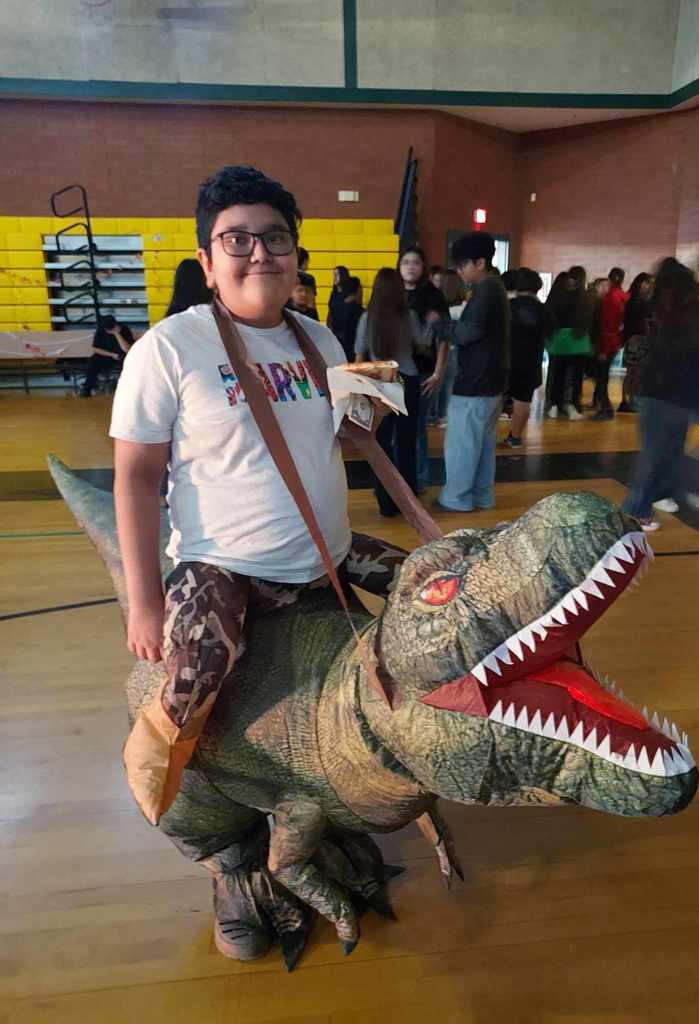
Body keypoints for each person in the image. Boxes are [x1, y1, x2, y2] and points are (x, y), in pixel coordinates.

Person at [109, 169, 406, 958]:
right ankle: (172, 784)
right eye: (236, 239)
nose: (258, 252)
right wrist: (145, 603)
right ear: (208, 260)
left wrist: (362, 419)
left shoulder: (321, 339)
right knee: (199, 674)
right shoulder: (169, 349)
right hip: (223, 564)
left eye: (274, 237)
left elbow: (332, 437)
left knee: (428, 587)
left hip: (323, 555)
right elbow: (136, 474)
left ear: (295, 252)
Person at [623, 257, 699, 531]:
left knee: (673, 448)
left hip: (682, 393)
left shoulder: (690, 308)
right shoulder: (682, 310)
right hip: (664, 392)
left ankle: (664, 494)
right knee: (656, 452)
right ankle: (635, 508)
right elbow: (691, 345)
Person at [430, 232, 510, 512]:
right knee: (482, 444)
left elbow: (468, 332)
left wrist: (440, 327)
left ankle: (457, 498)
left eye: (463, 266)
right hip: (491, 381)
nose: (461, 272)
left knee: (463, 444)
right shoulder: (495, 288)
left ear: (480, 262)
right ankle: (481, 496)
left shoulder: (487, 291)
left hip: (476, 381)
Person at [355, 268, 421, 516]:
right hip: (407, 380)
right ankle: (409, 501)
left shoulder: (367, 318)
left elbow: (360, 356)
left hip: (379, 383)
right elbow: (421, 345)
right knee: (406, 443)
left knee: (381, 445)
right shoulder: (410, 316)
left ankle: (386, 502)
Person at [398, 246, 449, 491]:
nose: (410, 266)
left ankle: (417, 481)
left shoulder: (432, 296)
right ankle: (400, 479)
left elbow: (443, 338)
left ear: (423, 266)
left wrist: (439, 372)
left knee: (417, 428)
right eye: (405, 262)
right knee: (396, 429)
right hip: (394, 372)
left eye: (415, 262)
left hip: (423, 372)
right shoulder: (393, 293)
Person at [504, 268, 556, 448]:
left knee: (496, 399)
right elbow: (552, 334)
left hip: (504, 360)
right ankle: (515, 437)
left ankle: (487, 436)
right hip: (531, 361)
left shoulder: (507, 306)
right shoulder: (543, 310)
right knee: (523, 400)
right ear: (538, 287)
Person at [545, 268, 592, 420]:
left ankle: (553, 405)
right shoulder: (582, 298)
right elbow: (587, 320)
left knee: (556, 374)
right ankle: (571, 406)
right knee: (575, 376)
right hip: (577, 341)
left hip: (558, 340)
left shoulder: (555, 297)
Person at [593, 267, 629, 419]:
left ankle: (605, 410)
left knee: (601, 377)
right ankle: (605, 408)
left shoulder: (610, 298)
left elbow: (607, 324)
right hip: (617, 340)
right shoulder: (625, 296)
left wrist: (603, 349)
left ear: (609, 279)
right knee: (604, 376)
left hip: (607, 342)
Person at [432, 269, 466, 426]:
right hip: (459, 351)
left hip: (440, 350)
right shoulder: (465, 308)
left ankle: (434, 414)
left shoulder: (442, 310)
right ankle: (443, 415)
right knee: (449, 383)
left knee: (437, 382)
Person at [618, 272, 653, 413]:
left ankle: (631, 399)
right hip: (635, 339)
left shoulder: (643, 301)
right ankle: (630, 399)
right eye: (646, 283)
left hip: (640, 339)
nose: (648, 286)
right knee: (634, 371)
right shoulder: (635, 301)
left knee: (637, 372)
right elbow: (633, 322)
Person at [79, 314, 135, 397]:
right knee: (93, 361)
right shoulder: (101, 330)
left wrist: (117, 334)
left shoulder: (125, 330)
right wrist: (111, 355)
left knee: (128, 364)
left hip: (123, 355)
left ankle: (124, 390)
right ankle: (87, 389)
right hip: (107, 355)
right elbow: (95, 348)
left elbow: (127, 349)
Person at [335, 275, 365, 362]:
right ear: (358, 290)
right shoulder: (360, 312)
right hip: (354, 356)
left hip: (339, 353)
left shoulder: (336, 308)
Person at [326, 265, 350, 340]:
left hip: (345, 332)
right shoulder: (333, 293)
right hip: (334, 331)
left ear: (343, 276)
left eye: (336, 275)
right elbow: (330, 310)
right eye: (334, 275)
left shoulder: (349, 294)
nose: (334, 278)